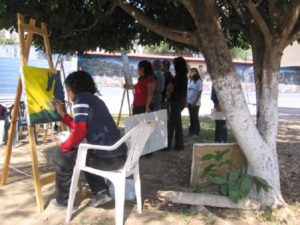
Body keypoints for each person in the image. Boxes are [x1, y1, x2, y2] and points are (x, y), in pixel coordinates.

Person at [51, 70, 127, 209]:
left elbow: (79, 132)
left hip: (106, 160)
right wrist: (63, 114)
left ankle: (63, 202)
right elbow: (80, 125)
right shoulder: (95, 100)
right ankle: (101, 192)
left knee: (63, 157)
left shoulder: (80, 100)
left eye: (67, 90)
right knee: (85, 154)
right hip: (120, 157)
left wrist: (64, 146)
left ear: (72, 89)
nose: (68, 94)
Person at [166, 57, 188, 150]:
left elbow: (170, 88)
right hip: (180, 100)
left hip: (176, 101)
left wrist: (169, 90)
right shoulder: (183, 76)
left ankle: (177, 144)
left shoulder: (179, 76)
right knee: (173, 123)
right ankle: (174, 144)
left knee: (174, 123)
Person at [187, 68, 203, 136]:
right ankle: (191, 131)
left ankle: (197, 132)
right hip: (189, 102)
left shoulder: (199, 81)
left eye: (194, 72)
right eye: (191, 72)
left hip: (196, 103)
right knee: (191, 117)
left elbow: (199, 93)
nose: (193, 73)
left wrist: (194, 102)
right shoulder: (190, 81)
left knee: (195, 117)